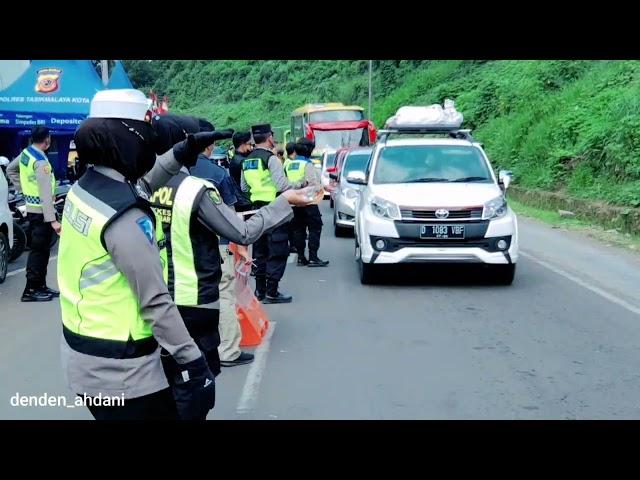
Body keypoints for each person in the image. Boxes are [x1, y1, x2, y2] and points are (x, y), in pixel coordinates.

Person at [58, 89, 222, 420]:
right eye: (146, 136)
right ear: (127, 141)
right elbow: (156, 303)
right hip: (125, 371)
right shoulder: (125, 217)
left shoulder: (86, 188)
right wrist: (195, 364)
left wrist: (179, 152)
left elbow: (143, 183)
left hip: (84, 357)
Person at [151, 116, 322, 387]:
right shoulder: (196, 189)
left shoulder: (144, 184)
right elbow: (240, 232)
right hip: (194, 297)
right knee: (197, 383)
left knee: (169, 376)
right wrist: (283, 202)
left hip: (158, 296)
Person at [186, 122, 255, 367]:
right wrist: (242, 248)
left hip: (179, 245)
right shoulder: (217, 174)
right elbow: (231, 217)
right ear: (211, 144)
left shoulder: (173, 172)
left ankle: (189, 350)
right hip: (217, 244)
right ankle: (227, 350)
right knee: (224, 294)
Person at [240, 124, 307, 303]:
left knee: (260, 250)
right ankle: (272, 291)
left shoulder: (247, 160)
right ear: (269, 137)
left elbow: (244, 187)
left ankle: (260, 291)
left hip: (255, 210)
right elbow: (282, 186)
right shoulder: (271, 159)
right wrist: (301, 185)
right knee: (277, 249)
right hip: (274, 209)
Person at [6, 126, 60, 302]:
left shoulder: (27, 153)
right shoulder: (41, 162)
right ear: (47, 140)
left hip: (32, 208)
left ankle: (40, 285)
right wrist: (53, 220)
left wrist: (24, 189)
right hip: (42, 212)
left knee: (42, 250)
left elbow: (10, 170)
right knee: (39, 251)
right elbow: (45, 194)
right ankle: (30, 290)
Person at [285, 138, 329, 267]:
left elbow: (286, 183)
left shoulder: (289, 164)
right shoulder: (307, 164)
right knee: (315, 228)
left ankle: (300, 257)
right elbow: (312, 184)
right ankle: (313, 257)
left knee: (299, 230)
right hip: (308, 202)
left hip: (294, 202)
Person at [284, 141, 297, 253]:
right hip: (291, 196)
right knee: (291, 223)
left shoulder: (286, 162)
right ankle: (292, 245)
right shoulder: (289, 164)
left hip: (288, 196)